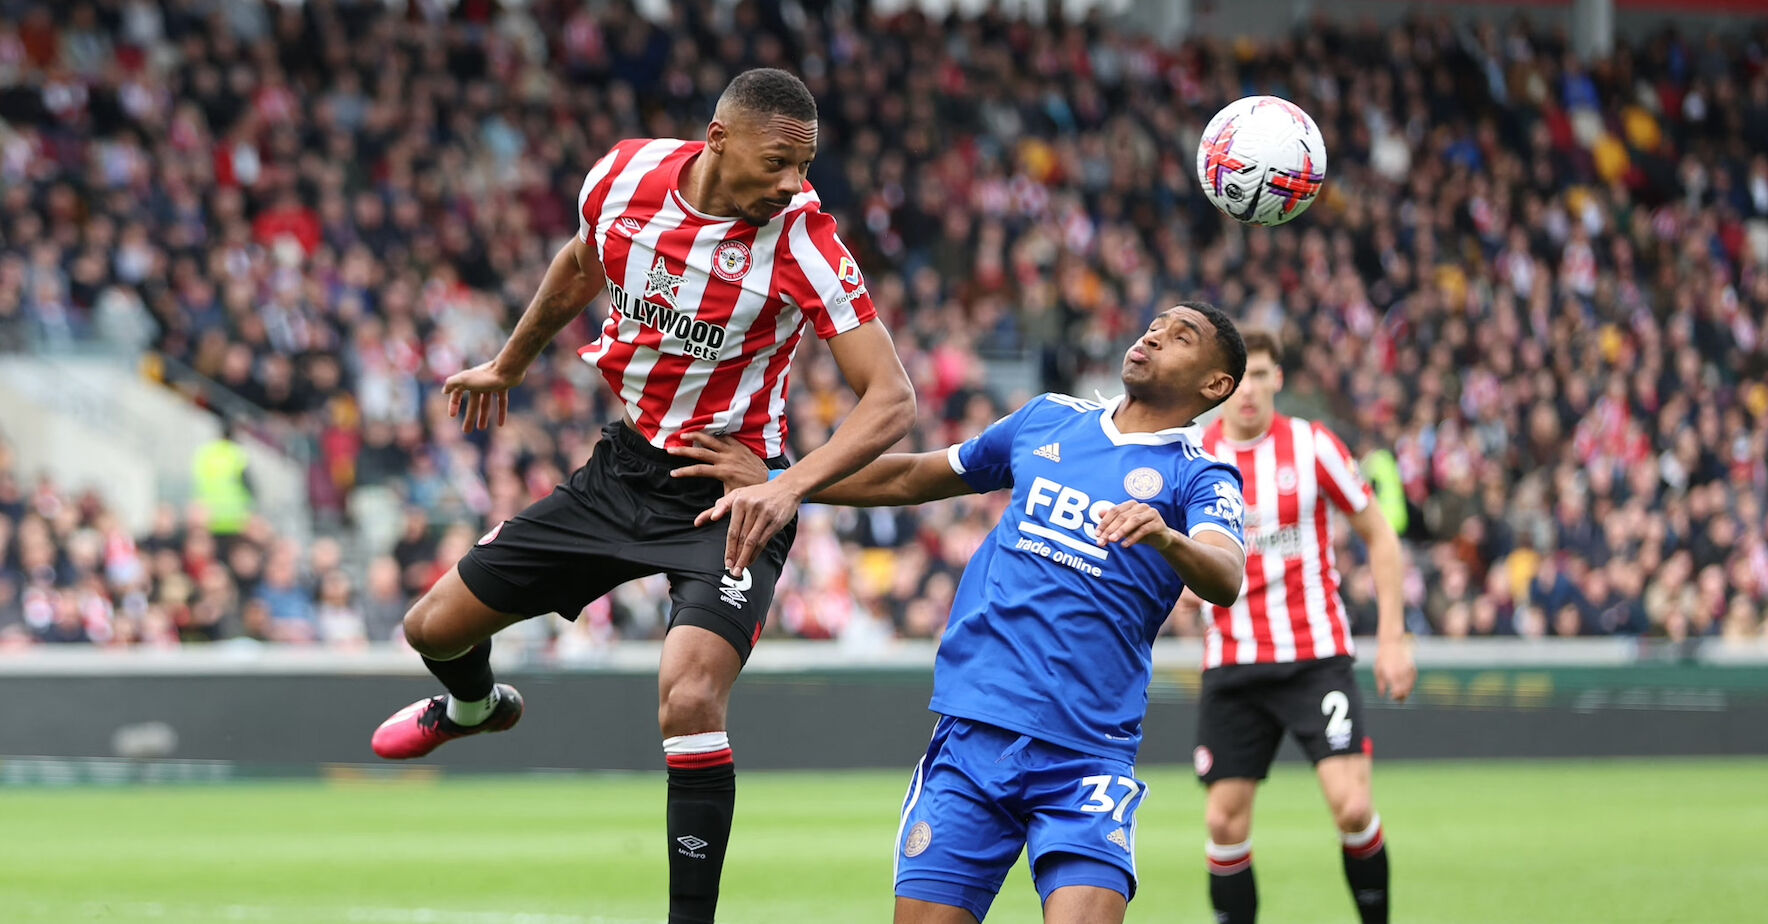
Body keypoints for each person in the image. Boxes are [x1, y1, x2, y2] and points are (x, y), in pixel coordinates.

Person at [367, 68, 916, 924]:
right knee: (431, 628)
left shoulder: (804, 242)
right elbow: (583, 262)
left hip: (725, 493)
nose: (791, 184)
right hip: (620, 471)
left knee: (690, 695)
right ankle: (473, 708)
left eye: (803, 166)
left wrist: (783, 486)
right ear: (718, 138)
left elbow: (892, 397)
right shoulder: (621, 176)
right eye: (777, 162)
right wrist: (510, 362)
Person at [677, 302, 1250, 924]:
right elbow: (915, 477)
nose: (1155, 335)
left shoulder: (1200, 475)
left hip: (1087, 755)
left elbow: (1225, 575)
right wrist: (782, 479)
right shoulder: (1048, 419)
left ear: (1214, 385)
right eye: (1156, 324)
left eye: (1181, 336)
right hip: (974, 735)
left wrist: (1167, 538)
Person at [1176, 329, 1417, 924]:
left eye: (1262, 375)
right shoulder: (1195, 456)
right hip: (1232, 660)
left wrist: (1392, 638)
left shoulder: (1314, 446)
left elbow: (1380, 536)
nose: (1250, 390)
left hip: (1315, 657)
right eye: (1240, 378)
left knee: (1353, 807)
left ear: (1277, 379)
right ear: (1218, 385)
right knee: (1223, 821)